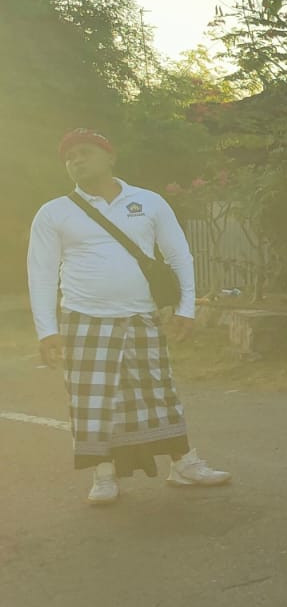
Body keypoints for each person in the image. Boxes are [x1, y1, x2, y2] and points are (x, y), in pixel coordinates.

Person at [27, 129, 231, 505]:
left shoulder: (148, 202)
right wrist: (47, 330)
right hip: (84, 318)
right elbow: (40, 272)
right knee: (92, 400)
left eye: (84, 152)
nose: (76, 160)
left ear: (110, 156)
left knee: (160, 394)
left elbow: (179, 255)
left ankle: (184, 464)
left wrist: (187, 308)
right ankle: (103, 474)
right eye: (69, 157)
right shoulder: (54, 212)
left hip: (141, 317)